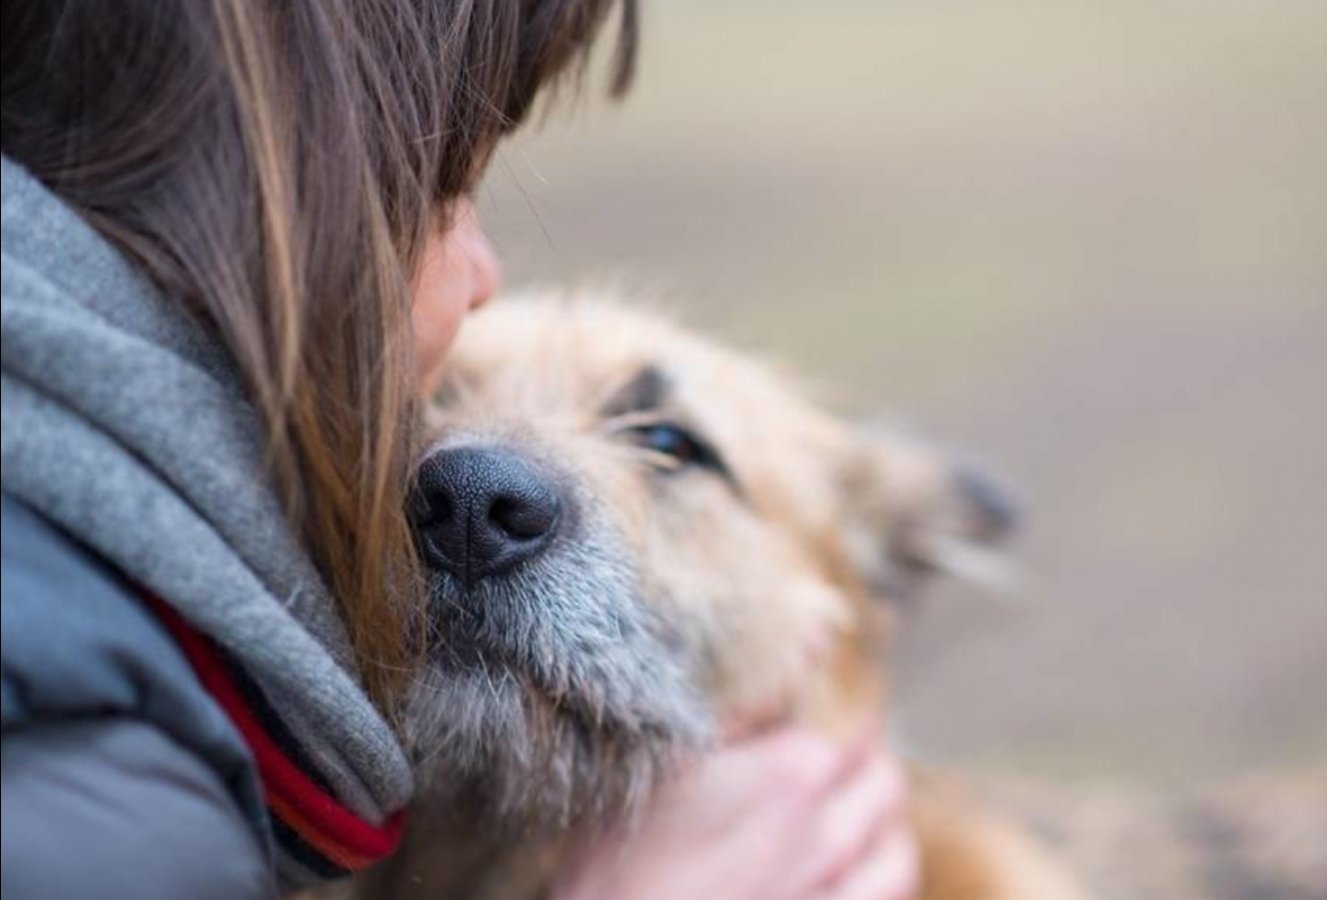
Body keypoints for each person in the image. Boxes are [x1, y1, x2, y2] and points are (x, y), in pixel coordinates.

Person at [0, 2, 918, 899]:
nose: (472, 480)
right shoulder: (118, 786)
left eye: (672, 449)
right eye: (426, 414)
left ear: (852, 587)